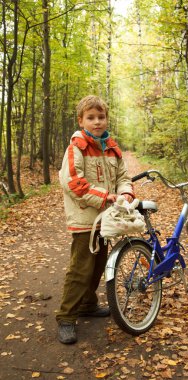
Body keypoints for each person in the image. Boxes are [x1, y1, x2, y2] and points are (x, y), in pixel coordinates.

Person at [56, 95, 134, 344]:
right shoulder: (76, 147)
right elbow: (72, 182)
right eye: (91, 118)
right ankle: (66, 317)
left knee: (100, 264)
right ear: (81, 121)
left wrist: (124, 192)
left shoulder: (111, 147)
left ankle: (88, 304)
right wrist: (104, 196)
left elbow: (123, 175)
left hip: (106, 219)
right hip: (84, 219)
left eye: (101, 117)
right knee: (81, 268)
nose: (97, 122)